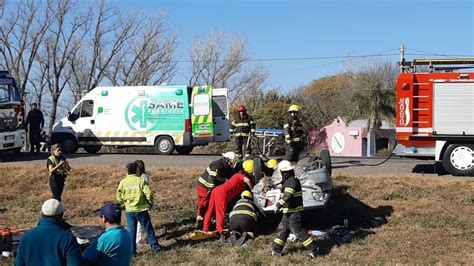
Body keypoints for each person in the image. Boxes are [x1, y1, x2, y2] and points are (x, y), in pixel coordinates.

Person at [268, 160, 318, 258]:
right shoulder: (289, 181)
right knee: (283, 230)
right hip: (289, 212)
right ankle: (276, 250)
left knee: (297, 230)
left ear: (284, 172)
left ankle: (314, 249)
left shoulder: (291, 182)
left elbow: (287, 196)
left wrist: (277, 205)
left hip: (294, 212)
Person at [15, 199, 82, 266]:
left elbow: (18, 264)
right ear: (62, 214)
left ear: (42, 213)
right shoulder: (67, 238)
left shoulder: (26, 237)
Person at [116, 162, 161, 256]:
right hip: (141, 210)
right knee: (148, 229)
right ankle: (155, 247)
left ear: (127, 171)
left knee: (132, 232)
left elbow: (118, 195)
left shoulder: (123, 182)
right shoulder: (140, 180)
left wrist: (123, 203)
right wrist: (150, 202)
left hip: (129, 210)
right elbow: (149, 193)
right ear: (136, 170)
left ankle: (132, 252)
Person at [203, 159, 254, 237]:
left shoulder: (235, 176)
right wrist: (252, 189)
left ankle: (205, 229)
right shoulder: (240, 175)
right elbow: (247, 180)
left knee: (210, 210)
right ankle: (220, 230)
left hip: (216, 190)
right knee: (221, 211)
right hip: (222, 193)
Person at [196, 151, 238, 226]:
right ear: (227, 160)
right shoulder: (217, 165)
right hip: (204, 186)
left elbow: (230, 177)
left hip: (214, 187)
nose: (231, 165)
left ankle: (210, 219)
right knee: (204, 203)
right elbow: (211, 178)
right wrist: (211, 190)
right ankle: (200, 219)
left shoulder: (226, 167)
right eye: (231, 163)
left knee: (212, 203)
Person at [135, 160, 149, 244]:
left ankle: (136, 237)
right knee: (141, 221)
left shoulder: (132, 176)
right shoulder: (144, 176)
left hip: (133, 201)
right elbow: (146, 188)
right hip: (142, 201)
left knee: (135, 221)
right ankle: (139, 238)